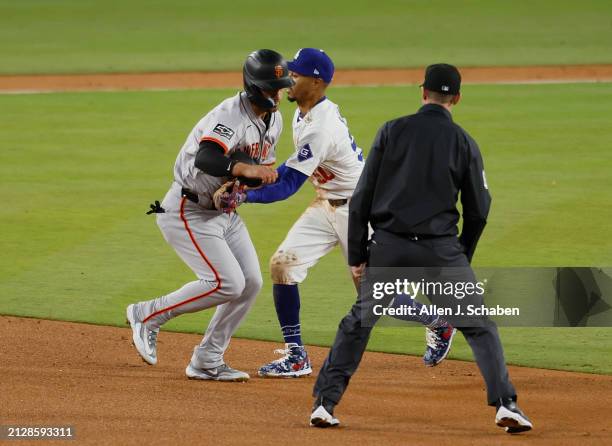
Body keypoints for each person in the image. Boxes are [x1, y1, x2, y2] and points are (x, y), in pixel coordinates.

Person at [308, 64, 533, 434]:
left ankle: (324, 404)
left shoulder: (392, 130)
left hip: (389, 248)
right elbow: (479, 209)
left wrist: (358, 255)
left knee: (357, 323)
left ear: (422, 92)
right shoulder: (463, 141)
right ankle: (506, 405)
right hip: (440, 252)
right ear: (456, 99)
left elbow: (362, 196)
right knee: (478, 327)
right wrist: (461, 254)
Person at [226, 48, 457, 378]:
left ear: (317, 82)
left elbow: (289, 185)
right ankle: (296, 355)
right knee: (283, 266)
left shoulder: (322, 127)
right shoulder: (301, 111)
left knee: (376, 296)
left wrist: (244, 195)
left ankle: (440, 323)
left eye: (297, 74)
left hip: (359, 214)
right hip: (325, 204)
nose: (289, 79)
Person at [125, 49, 293, 382]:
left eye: (280, 86)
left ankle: (207, 359)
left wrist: (239, 183)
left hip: (222, 213)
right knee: (227, 282)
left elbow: (254, 168)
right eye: (270, 87)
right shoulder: (230, 114)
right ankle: (147, 315)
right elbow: (206, 156)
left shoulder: (275, 119)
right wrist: (239, 167)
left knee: (250, 283)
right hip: (187, 210)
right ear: (252, 86)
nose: (277, 93)